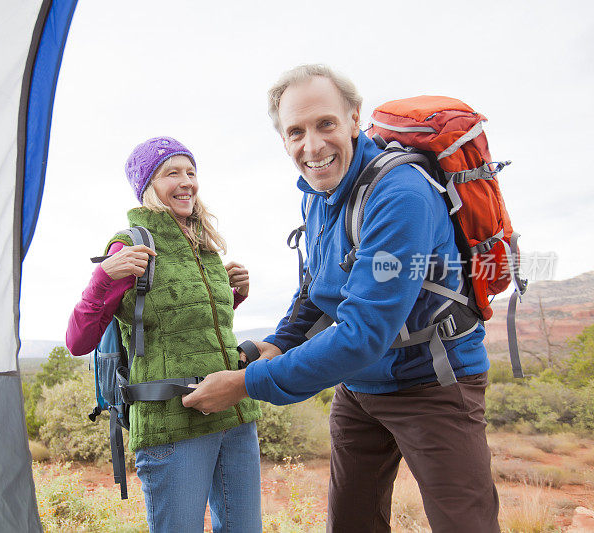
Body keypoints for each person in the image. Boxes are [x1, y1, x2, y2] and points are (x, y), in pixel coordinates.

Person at [182, 65, 501, 532]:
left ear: (354, 119)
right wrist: (276, 343)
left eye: (325, 124)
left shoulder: (400, 195)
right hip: (360, 387)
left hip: (433, 384)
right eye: (295, 131)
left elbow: (361, 335)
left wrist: (245, 383)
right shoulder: (318, 193)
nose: (311, 147)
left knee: (464, 524)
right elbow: (318, 287)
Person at [66, 136, 263, 533]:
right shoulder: (131, 244)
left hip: (235, 413)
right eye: (172, 172)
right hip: (173, 422)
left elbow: (185, 326)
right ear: (147, 186)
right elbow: (78, 341)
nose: (186, 181)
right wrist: (104, 276)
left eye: (191, 172)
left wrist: (232, 294)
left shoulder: (204, 245)